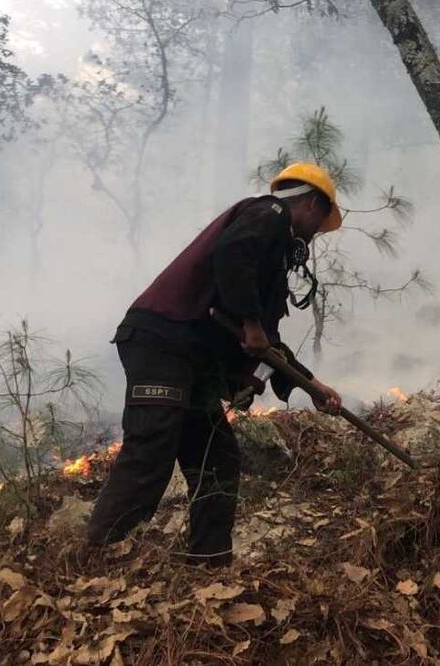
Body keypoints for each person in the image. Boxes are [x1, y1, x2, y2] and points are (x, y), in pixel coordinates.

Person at [86, 163, 344, 566]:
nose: (313, 237)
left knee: (217, 460)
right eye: (319, 223)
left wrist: (313, 386)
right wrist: (252, 323)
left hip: (190, 360)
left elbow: (267, 346)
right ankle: (97, 559)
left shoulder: (269, 260)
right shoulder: (269, 214)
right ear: (312, 204)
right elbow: (232, 256)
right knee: (151, 453)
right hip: (162, 341)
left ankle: (209, 568)